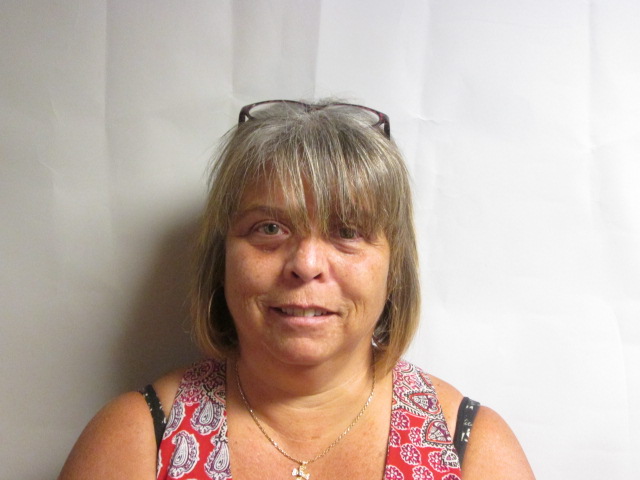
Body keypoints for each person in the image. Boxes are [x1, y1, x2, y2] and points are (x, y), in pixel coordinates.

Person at [58, 100, 535, 479]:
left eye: (347, 231)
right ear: (221, 260)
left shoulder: (473, 451)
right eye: (269, 228)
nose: (306, 265)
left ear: (395, 269)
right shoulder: (137, 442)